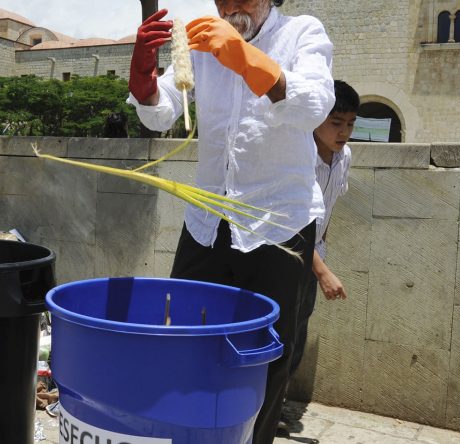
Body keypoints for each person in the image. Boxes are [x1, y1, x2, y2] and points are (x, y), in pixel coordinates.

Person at [126, 1, 335, 443]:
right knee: (183, 331)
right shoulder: (204, 41)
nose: (232, 5)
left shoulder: (303, 33)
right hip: (208, 216)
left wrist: (245, 58)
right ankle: (188, 432)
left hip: (278, 220)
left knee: (268, 352)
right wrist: (143, 73)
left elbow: (313, 106)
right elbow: (161, 111)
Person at [290, 79, 358, 381]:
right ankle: (267, 407)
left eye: (350, 124)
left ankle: (279, 400)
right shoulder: (298, 157)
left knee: (299, 327)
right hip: (287, 254)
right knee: (282, 327)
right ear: (317, 119)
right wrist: (322, 271)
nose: (343, 132)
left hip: (313, 256)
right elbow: (293, 222)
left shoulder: (345, 157)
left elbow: (326, 211)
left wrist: (320, 257)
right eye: (336, 123)